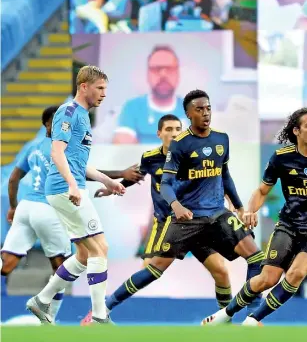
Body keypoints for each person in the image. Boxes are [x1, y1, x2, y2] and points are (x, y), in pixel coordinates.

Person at [80, 113, 234, 326]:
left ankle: (225, 321)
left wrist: (230, 199)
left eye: (177, 129)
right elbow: (135, 176)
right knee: (150, 271)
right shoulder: (151, 157)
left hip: (198, 224)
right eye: (168, 129)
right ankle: (100, 312)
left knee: (221, 271)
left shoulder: (195, 154)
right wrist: (113, 189)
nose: (173, 133)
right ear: (159, 133)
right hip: (169, 224)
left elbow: (215, 177)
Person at [26, 66, 126, 325]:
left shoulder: (83, 116)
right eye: (100, 88)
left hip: (70, 187)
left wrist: (108, 181)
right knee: (99, 249)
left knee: (85, 254)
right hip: (65, 189)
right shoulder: (68, 112)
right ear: (84, 86)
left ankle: (42, 300)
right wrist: (72, 185)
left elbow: (77, 161)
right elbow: (56, 153)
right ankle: (100, 316)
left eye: (106, 89)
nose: (104, 94)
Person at [159, 90, 265, 317]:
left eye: (208, 108)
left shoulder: (221, 139)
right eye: (199, 109)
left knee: (254, 258)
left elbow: (225, 176)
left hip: (217, 214)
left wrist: (239, 208)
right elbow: (165, 184)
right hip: (188, 219)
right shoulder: (180, 145)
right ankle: (105, 310)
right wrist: (176, 205)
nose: (206, 113)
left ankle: (250, 314)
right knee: (153, 270)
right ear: (188, 114)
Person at [201, 108, 307, 327]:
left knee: (296, 274)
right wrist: (250, 211)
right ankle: (225, 315)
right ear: (297, 130)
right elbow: (262, 191)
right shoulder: (282, 157)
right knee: (267, 279)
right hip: (288, 226)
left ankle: (253, 319)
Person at [1, 106, 70, 322]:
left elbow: (13, 180)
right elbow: (85, 174)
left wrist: (13, 206)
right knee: (62, 268)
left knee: (7, 263)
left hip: (25, 207)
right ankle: (49, 320)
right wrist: (117, 176)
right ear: (50, 124)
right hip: (48, 209)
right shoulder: (64, 147)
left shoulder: (32, 146)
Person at [113, 45, 187, 145]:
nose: (163, 75)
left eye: (169, 69)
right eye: (156, 69)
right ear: (148, 75)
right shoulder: (132, 107)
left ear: (178, 74)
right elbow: (123, 147)